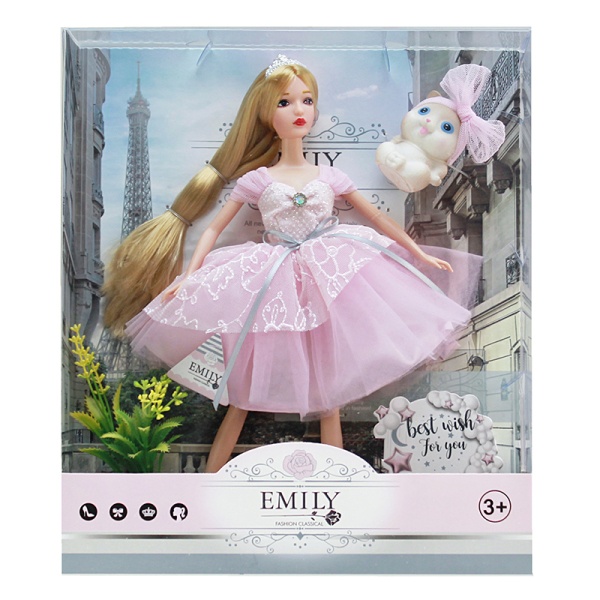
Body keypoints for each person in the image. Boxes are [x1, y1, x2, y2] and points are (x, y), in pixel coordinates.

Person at [104, 55, 480, 473]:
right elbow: (212, 229)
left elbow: (376, 217)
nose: (298, 110)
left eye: (306, 100)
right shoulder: (257, 180)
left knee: (329, 395)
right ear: (267, 113)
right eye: (285, 102)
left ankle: (340, 480)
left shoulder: (330, 177)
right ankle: (208, 483)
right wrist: (189, 277)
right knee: (242, 395)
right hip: (271, 279)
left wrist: (419, 252)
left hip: (327, 271)